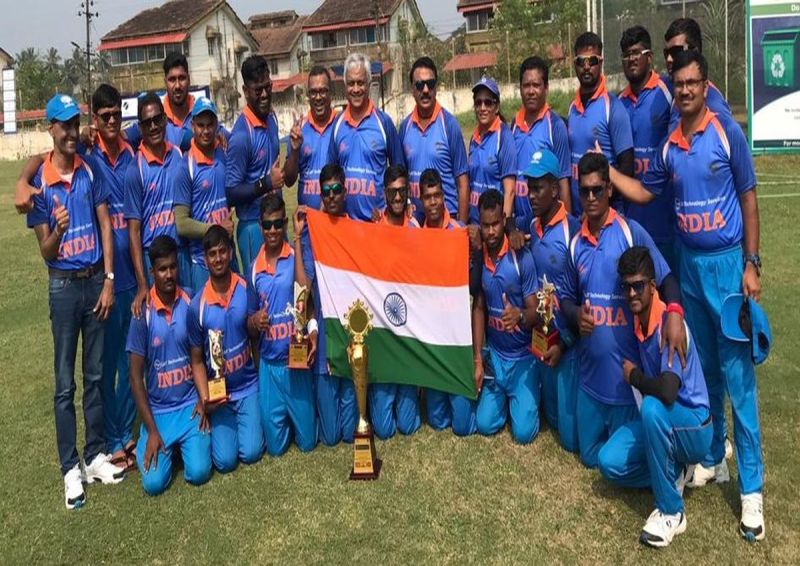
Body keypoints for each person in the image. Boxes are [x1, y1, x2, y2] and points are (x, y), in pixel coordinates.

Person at [606, 50, 766, 542]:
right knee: (706, 369)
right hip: (689, 264)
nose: (685, 91)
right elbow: (644, 192)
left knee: (738, 379)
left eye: (692, 82)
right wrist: (606, 172)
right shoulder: (670, 146)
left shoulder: (726, 131)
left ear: (705, 84)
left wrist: (751, 263)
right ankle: (713, 458)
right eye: (679, 84)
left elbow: (749, 198)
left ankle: (752, 491)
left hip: (726, 265)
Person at [15, 85, 139, 470]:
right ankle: (81, 460)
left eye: (75, 124)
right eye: (63, 125)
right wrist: (26, 184)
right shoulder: (70, 164)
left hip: (112, 277)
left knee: (112, 366)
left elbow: (167, 124)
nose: (71, 131)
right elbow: (46, 249)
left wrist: (109, 278)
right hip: (74, 285)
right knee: (75, 378)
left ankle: (107, 444)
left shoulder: (112, 154)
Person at [560, 153, 684, 470]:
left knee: (611, 461)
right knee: (587, 457)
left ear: (609, 189)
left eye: (597, 189)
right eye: (584, 190)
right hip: (590, 382)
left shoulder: (631, 232)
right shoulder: (575, 243)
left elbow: (666, 279)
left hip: (626, 387)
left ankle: (674, 463)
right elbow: (565, 298)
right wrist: (576, 315)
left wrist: (675, 313)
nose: (591, 197)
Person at [597, 246, 711, 548]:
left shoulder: (668, 324)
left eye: (638, 286)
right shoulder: (638, 319)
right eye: (626, 286)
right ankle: (674, 471)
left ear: (651, 286)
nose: (631, 293)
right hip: (664, 420)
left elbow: (669, 391)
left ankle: (672, 512)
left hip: (695, 425)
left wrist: (635, 376)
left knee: (651, 407)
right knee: (608, 462)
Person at [127, 236, 212, 495]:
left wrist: (203, 400)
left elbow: (204, 357)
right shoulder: (142, 313)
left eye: (173, 267)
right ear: (152, 272)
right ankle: (155, 442)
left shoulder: (191, 302)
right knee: (153, 485)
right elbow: (135, 377)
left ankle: (183, 447)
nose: (169, 274)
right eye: (162, 269)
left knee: (199, 472)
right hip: (159, 412)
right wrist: (152, 430)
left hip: (189, 406)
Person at [187, 226, 265, 468]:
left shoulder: (245, 287)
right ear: (205, 259)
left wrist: (261, 381)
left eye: (222, 251)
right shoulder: (197, 305)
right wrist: (205, 399)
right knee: (225, 461)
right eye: (212, 254)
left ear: (231, 253)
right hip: (219, 393)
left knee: (252, 452)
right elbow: (196, 360)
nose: (218, 258)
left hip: (247, 386)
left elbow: (254, 339)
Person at [247, 195, 318, 455]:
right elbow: (248, 322)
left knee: (308, 443)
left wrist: (298, 239)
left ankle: (301, 412)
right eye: (267, 225)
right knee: (275, 449)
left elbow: (305, 297)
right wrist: (254, 320)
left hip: (295, 363)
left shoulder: (295, 256)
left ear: (285, 223)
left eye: (278, 224)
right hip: (270, 367)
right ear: (260, 226)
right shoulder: (254, 269)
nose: (273, 230)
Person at [293, 164, 357, 445]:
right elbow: (303, 288)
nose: (331, 196)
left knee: (350, 433)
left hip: (351, 335)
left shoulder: (356, 229)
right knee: (331, 437)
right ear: (321, 194)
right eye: (326, 191)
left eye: (336, 190)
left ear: (345, 191)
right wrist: (298, 238)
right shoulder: (313, 233)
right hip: (324, 337)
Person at [523, 150, 581, 452]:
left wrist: (566, 343)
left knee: (569, 439)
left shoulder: (573, 231)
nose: (531, 195)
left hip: (567, 346)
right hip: (540, 339)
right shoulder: (532, 227)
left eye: (538, 188)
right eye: (529, 188)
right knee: (549, 419)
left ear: (555, 189)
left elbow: (585, 298)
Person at [472, 189, 541, 444]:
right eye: (485, 225)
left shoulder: (521, 257)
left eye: (495, 224)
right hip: (496, 358)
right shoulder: (480, 255)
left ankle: (527, 395)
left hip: (523, 358)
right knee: (484, 424)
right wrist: (478, 359)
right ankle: (507, 400)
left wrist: (520, 315)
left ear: (504, 219)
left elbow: (537, 312)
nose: (490, 232)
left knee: (523, 434)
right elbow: (479, 307)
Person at [418, 169, 478, 436]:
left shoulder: (459, 233)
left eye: (437, 195)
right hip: (431, 336)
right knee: (437, 420)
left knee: (462, 426)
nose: (433, 202)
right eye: (427, 197)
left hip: (456, 335)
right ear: (421, 200)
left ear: (444, 197)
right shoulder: (416, 235)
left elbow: (474, 285)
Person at [365, 166, 421, 439]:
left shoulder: (416, 228)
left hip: (407, 331)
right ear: (384, 193)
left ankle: (412, 387)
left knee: (408, 426)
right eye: (392, 192)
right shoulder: (375, 229)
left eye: (402, 191)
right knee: (384, 430)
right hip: (384, 333)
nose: (397, 197)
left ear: (408, 191)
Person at [618, 26, 678, 271]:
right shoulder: (618, 103)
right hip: (632, 223)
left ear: (650, 56)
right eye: (626, 54)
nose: (631, 59)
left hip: (665, 223)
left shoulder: (668, 92)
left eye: (636, 53)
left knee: (670, 288)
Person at [124, 92, 184, 315]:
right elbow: (134, 231)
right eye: (147, 122)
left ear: (165, 119)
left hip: (180, 255)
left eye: (157, 119)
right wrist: (142, 284)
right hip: (154, 261)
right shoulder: (135, 170)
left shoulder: (179, 156)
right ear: (140, 128)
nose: (153, 127)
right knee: (158, 325)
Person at [328, 52, 404, 221]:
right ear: (345, 85)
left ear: (369, 84)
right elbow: (329, 177)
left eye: (361, 83)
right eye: (351, 83)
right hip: (346, 224)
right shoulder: (337, 125)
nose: (356, 89)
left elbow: (399, 174)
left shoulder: (384, 123)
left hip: (378, 224)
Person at [226, 54, 284, 273]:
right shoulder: (242, 135)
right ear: (245, 90)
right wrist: (267, 183)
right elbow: (231, 192)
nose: (265, 94)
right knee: (259, 289)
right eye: (258, 90)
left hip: (276, 222)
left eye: (268, 87)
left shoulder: (271, 119)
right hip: (253, 227)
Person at [567, 32, 634, 215]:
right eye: (581, 61)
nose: (586, 67)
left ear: (601, 63)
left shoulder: (613, 107)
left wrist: (599, 203)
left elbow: (627, 167)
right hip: (579, 217)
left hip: (606, 216)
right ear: (575, 65)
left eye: (592, 61)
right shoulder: (572, 108)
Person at [399, 57, 469, 222]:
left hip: (446, 221)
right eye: (419, 85)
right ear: (412, 89)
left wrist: (461, 226)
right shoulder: (405, 127)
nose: (425, 90)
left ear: (435, 87)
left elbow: (463, 182)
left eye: (430, 84)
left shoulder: (449, 125)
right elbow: (401, 178)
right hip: (416, 221)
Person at [174, 97, 234, 291]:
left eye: (210, 125)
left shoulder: (223, 153)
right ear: (192, 126)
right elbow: (181, 224)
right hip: (202, 261)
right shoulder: (186, 167)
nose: (206, 131)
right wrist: (217, 229)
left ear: (216, 125)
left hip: (228, 254)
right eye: (201, 125)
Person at [511, 56, 572, 230]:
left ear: (546, 88)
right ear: (520, 88)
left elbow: (563, 183)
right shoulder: (514, 125)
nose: (531, 91)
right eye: (526, 85)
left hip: (547, 226)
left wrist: (565, 229)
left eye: (536, 85)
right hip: (520, 227)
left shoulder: (555, 126)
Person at [467, 76, 517, 241]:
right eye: (478, 103)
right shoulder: (474, 138)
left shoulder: (504, 137)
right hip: (476, 226)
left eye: (488, 102)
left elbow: (510, 191)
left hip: (493, 229)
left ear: (497, 107)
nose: (482, 108)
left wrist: (504, 229)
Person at [284, 66, 339, 210]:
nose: (318, 97)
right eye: (313, 92)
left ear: (330, 92)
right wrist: (294, 151)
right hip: (308, 219)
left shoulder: (341, 125)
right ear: (308, 94)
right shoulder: (299, 129)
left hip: (335, 218)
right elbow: (288, 181)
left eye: (323, 91)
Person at [662, 18, 733, 128]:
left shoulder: (715, 107)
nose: (669, 59)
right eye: (666, 53)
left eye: (675, 52)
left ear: (695, 51)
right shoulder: (673, 92)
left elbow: (732, 136)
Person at [124, 52, 197, 151]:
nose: (177, 86)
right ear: (165, 82)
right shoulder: (155, 116)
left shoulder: (202, 113)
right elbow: (122, 135)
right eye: (172, 79)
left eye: (182, 78)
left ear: (189, 79)